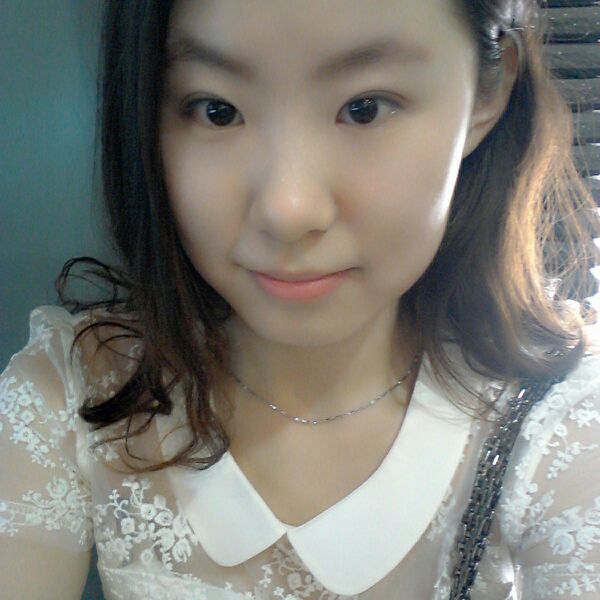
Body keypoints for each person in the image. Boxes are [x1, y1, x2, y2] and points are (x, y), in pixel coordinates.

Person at [1, 0, 599, 598]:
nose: (287, 211)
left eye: (365, 108)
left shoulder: (559, 431)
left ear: (487, 93)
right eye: (217, 110)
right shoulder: (74, 389)